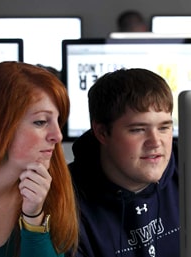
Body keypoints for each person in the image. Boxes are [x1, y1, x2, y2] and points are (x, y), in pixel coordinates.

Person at [0, 61, 79, 257]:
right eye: (41, 122)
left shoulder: (52, 189)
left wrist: (33, 217)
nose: (57, 136)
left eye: (58, 121)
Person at [67, 68, 179, 256]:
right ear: (102, 132)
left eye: (164, 127)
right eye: (138, 129)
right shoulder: (66, 200)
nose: (155, 142)